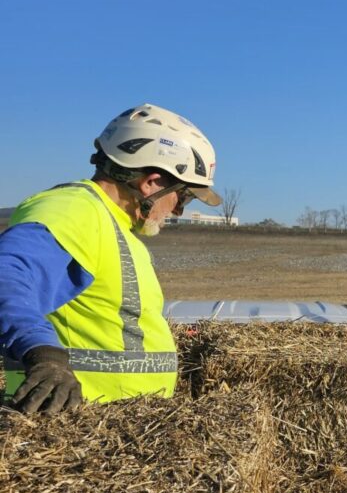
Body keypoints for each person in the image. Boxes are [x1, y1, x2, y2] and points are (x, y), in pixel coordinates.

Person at [0, 104, 222, 414]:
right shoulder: (74, 209)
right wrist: (45, 356)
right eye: (182, 197)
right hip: (77, 430)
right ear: (152, 182)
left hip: (120, 432)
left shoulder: (114, 225)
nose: (178, 211)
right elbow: (7, 276)